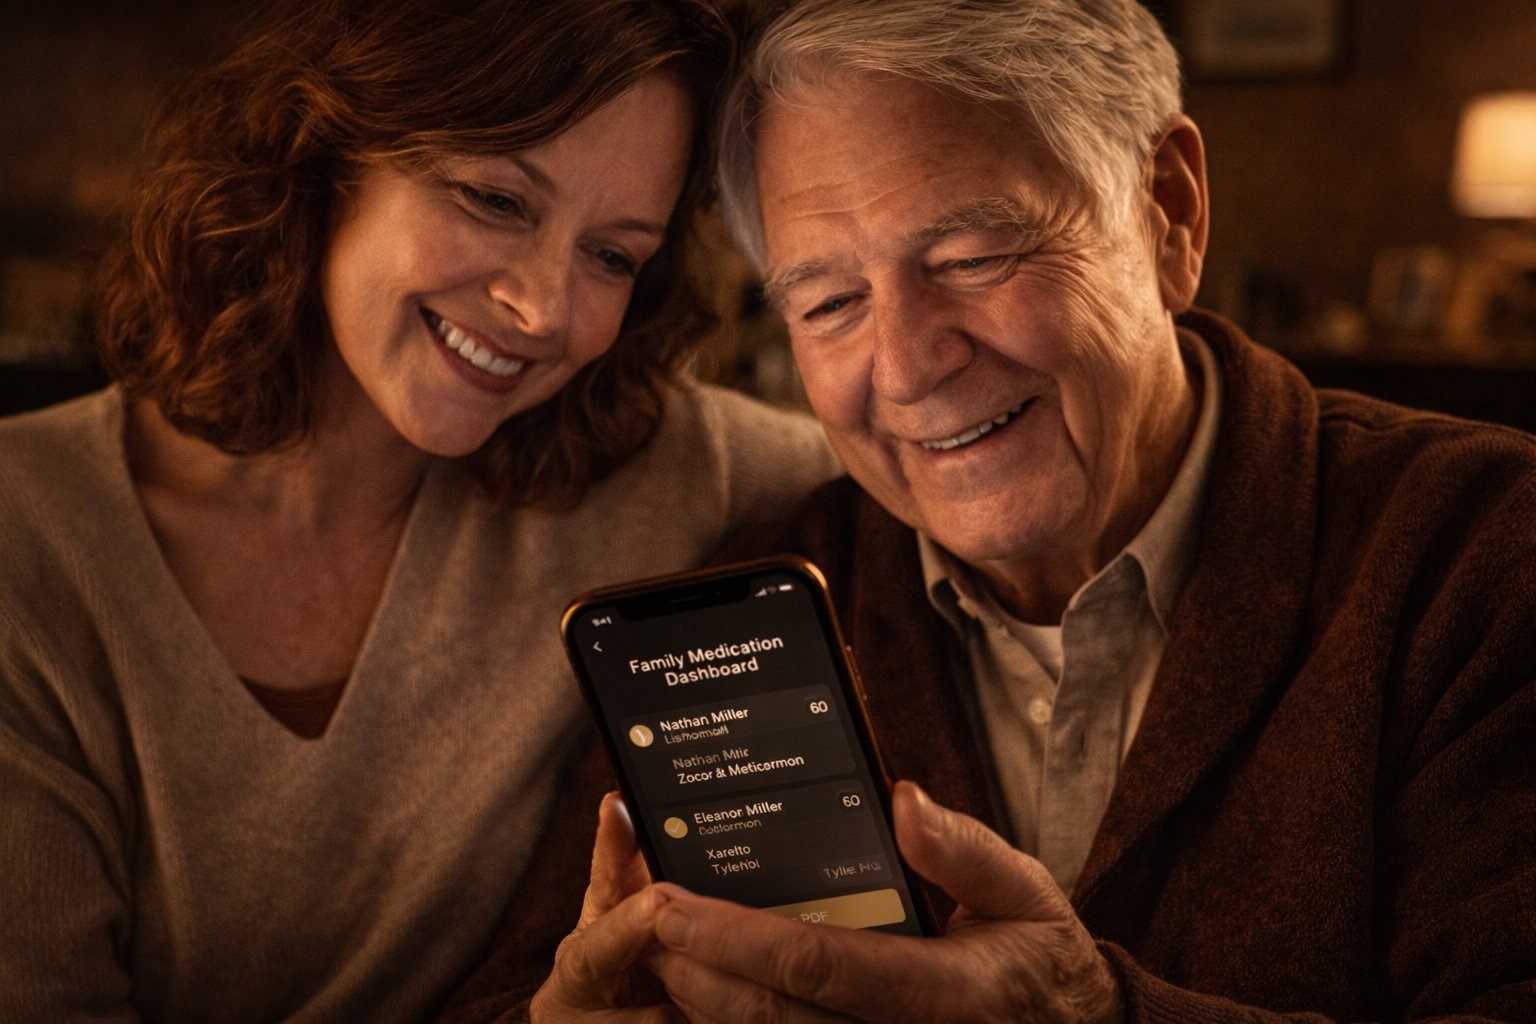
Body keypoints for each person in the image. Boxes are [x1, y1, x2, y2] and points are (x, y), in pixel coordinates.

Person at [446, 0, 1536, 1020]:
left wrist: (1092, 1012)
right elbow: (521, 988)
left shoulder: (1483, 553)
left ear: (1170, 212)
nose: (909, 367)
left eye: (975, 256)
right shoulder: (748, 605)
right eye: (829, 303)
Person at [0, 0, 844, 1020]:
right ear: (327, 152)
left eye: (613, 255)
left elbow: (927, 477)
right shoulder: (29, 540)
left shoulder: (660, 466)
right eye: (495, 199)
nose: (544, 309)